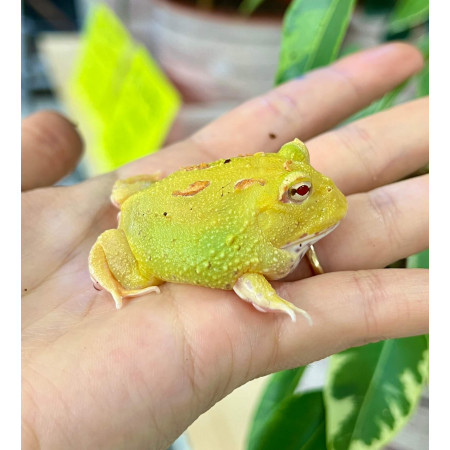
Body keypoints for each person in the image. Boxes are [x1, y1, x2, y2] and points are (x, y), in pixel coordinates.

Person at [22, 43, 428, 449]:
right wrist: (277, 301)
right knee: (134, 270)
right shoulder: (258, 250)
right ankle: (121, 280)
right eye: (301, 192)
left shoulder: (264, 217)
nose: (316, 188)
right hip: (141, 238)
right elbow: (248, 283)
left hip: (147, 195)